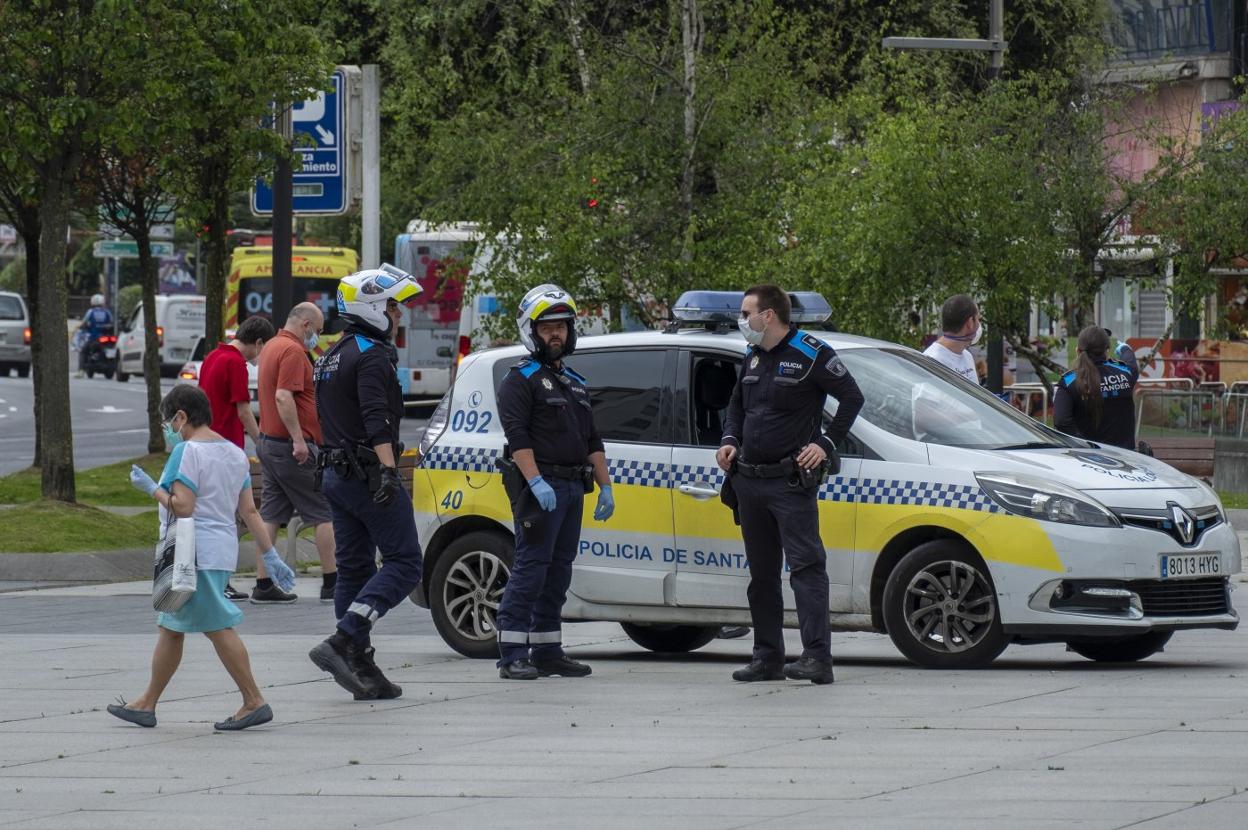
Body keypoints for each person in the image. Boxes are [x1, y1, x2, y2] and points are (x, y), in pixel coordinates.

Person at [109, 385, 295, 731]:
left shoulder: (187, 452)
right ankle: (146, 703)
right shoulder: (235, 454)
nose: (168, 429)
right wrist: (270, 555)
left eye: (169, 421)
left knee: (216, 625)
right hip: (219, 551)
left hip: (193, 553)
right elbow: (251, 512)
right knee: (171, 628)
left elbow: (184, 506)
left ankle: (253, 700)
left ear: (181, 417)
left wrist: (153, 489)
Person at [717, 284, 864, 685]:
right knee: (761, 575)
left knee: (806, 569)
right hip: (749, 480)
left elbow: (852, 398)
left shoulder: (811, 353)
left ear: (769, 315)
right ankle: (767, 656)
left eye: (747, 313)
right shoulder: (752, 356)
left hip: (789, 483)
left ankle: (817, 658)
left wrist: (825, 443)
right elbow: (736, 407)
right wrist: (730, 440)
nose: (742, 320)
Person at [307, 265, 426, 701]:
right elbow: (377, 419)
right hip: (368, 473)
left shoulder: (331, 354)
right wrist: (389, 471)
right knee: (406, 563)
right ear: (374, 307)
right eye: (394, 306)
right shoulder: (372, 354)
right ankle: (345, 638)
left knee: (354, 569)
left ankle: (358, 663)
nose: (399, 315)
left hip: (336, 476)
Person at [494, 284, 615, 680]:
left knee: (559, 571)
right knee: (531, 568)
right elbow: (518, 437)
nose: (556, 334)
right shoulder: (520, 379)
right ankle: (512, 651)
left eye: (561, 326)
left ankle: (547, 649)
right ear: (531, 330)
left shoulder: (575, 381)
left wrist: (607, 486)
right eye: (547, 327)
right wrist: (535, 482)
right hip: (540, 488)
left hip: (573, 487)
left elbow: (592, 439)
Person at [254, 302, 338, 604]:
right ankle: (332, 583)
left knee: (271, 515)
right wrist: (299, 440)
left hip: (269, 443)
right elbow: (283, 396)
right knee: (324, 511)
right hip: (291, 448)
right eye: (317, 330)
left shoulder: (273, 346)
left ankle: (263, 584)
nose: (317, 336)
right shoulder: (292, 351)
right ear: (305, 325)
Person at [198, 315, 275, 602]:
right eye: (263, 348)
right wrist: (261, 443)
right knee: (230, 518)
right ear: (257, 342)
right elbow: (243, 411)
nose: (261, 356)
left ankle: (213, 578)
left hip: (205, 444)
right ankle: (222, 580)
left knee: (214, 515)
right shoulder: (236, 364)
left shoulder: (212, 357)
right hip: (226, 448)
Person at [1054, 325, 1138, 450]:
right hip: (1126, 459)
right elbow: (1131, 363)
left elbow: (1061, 422)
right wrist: (1126, 349)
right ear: (1107, 351)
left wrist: (1085, 446)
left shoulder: (1068, 381)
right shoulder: (1125, 372)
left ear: (1078, 351)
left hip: (1087, 460)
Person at [922, 294, 980, 384]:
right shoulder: (933, 361)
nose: (979, 325)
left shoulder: (967, 356)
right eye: (978, 319)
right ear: (970, 323)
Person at [76, 293, 114, 377]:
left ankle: (80, 370)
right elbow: (112, 323)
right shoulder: (107, 312)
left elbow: (84, 323)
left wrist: (79, 327)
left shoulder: (90, 312)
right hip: (106, 338)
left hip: (94, 337)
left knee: (83, 351)